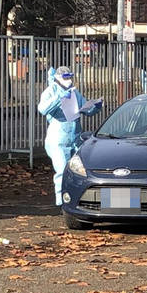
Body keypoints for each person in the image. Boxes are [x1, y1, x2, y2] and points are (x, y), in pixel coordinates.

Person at [38, 66, 102, 206]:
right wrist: (59, 98)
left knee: (78, 171)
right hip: (59, 139)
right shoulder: (51, 90)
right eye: (66, 77)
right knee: (62, 171)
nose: (69, 80)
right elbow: (43, 109)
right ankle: (62, 203)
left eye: (70, 76)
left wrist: (94, 107)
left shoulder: (74, 92)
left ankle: (77, 199)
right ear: (58, 78)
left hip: (75, 138)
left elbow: (84, 108)